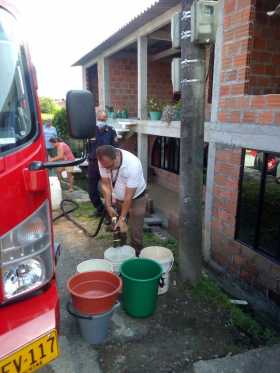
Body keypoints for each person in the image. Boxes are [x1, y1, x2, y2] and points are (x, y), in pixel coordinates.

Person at [97, 145, 147, 255]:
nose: (106, 169)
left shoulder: (133, 165)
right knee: (118, 226)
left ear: (116, 157)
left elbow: (129, 196)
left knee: (136, 230)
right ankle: (121, 250)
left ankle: (137, 255)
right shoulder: (102, 160)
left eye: (109, 167)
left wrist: (123, 218)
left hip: (136, 197)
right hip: (117, 198)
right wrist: (108, 205)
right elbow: (105, 184)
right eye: (104, 167)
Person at [88, 110, 118, 217]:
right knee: (92, 191)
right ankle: (100, 209)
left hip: (106, 165)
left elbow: (115, 148)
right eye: (101, 119)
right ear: (96, 118)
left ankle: (110, 212)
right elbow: (88, 147)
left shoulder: (111, 131)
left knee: (109, 189)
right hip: (93, 164)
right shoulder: (90, 130)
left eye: (104, 119)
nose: (102, 121)